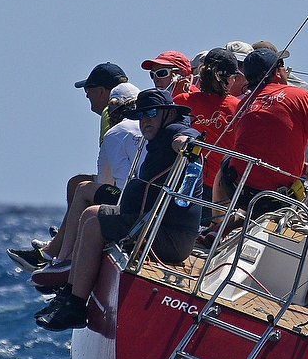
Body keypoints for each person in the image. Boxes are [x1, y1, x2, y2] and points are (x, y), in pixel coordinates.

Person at [39, 88, 203, 330]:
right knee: (90, 213)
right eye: (141, 115)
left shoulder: (173, 132)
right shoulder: (156, 137)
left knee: (95, 222)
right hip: (146, 223)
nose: (145, 120)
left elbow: (187, 137)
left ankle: (76, 306)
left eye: (152, 113)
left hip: (168, 237)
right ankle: (68, 296)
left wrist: (186, 145)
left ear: (168, 113)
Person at [210, 46, 308, 214]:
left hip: (238, 190)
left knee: (228, 160)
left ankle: (216, 225)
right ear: (277, 72)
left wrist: (304, 168)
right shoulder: (300, 96)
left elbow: (260, 151)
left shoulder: (243, 105)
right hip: (274, 198)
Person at [9, 62, 128, 271]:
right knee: (76, 183)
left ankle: (58, 255)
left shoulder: (111, 115)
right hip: (130, 186)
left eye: (88, 89)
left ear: (102, 92)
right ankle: (64, 241)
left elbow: (107, 175)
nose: (86, 96)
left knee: (82, 188)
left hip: (127, 194)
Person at [34, 81, 143, 288]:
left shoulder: (114, 133)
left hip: (128, 201)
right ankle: (57, 250)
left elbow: (104, 181)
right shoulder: (149, 126)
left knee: (84, 188)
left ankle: (65, 259)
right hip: (151, 197)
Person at [177, 49, 241, 163]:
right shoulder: (239, 107)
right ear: (230, 78)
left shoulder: (181, 101)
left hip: (183, 177)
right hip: (221, 179)